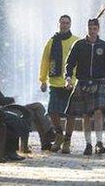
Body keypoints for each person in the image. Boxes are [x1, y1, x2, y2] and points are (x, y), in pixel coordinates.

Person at [65, 18, 105, 155]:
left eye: (94, 28)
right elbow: (70, 63)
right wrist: (68, 78)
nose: (92, 31)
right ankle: (88, 144)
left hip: (99, 82)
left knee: (98, 112)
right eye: (90, 28)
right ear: (87, 29)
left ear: (98, 29)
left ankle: (99, 143)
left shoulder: (104, 46)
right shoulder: (79, 45)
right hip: (82, 81)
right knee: (86, 115)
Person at [0, 68, 55, 152]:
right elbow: (0, 101)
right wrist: (12, 99)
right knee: (36, 107)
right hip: (3, 112)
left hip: (6, 110)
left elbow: (0, 100)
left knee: (35, 110)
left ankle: (45, 141)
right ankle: (48, 134)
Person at [39, 15, 79, 153]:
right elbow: (45, 61)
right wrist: (42, 80)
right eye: (62, 23)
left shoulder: (76, 41)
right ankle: (59, 135)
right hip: (55, 83)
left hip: (72, 83)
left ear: (70, 24)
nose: (65, 25)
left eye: (67, 23)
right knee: (52, 111)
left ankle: (67, 140)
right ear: (58, 24)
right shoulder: (51, 42)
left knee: (71, 114)